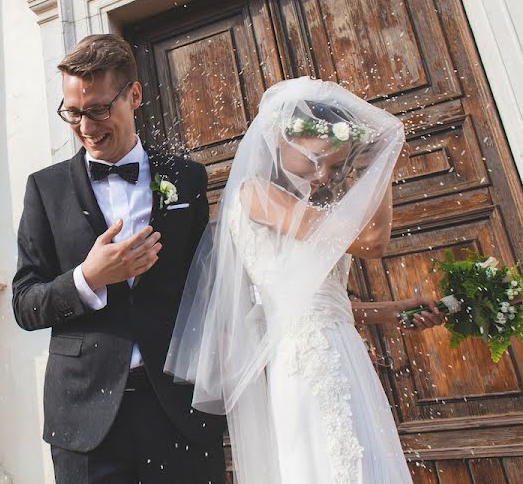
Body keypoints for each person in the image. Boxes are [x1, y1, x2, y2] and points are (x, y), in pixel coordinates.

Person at [166, 76, 445, 483]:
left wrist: (392, 311)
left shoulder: (305, 208)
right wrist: (384, 165)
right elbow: (371, 242)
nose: (323, 175)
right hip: (306, 364)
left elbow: (312, 300)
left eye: (335, 166)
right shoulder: (255, 196)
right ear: (281, 140)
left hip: (341, 350)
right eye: (317, 160)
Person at [13, 34, 227, 484]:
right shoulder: (44, 189)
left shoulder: (186, 179)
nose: (86, 127)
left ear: (134, 95)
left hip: (179, 411)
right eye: (74, 112)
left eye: (98, 109)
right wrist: (88, 278)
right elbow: (24, 304)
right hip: (85, 421)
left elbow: (207, 288)